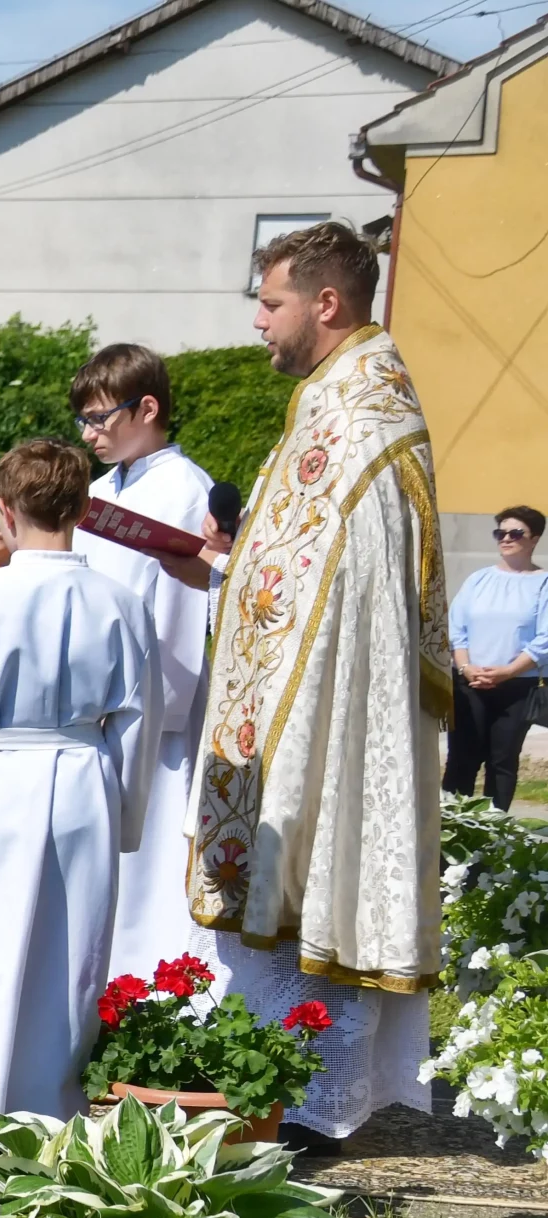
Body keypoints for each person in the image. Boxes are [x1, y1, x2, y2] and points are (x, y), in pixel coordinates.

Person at [174, 220, 448, 1153]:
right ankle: (285, 1097)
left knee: (315, 882)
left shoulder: (363, 413)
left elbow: (353, 587)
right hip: (289, 701)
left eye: (270, 301)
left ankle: (314, 1108)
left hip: (326, 709)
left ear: (325, 303)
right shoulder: (333, 398)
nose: (257, 322)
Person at [0, 440, 158, 1135]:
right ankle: (52, 1106)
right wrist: (125, 816)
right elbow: (137, 720)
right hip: (82, 779)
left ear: (4, 509)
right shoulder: (120, 602)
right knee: (69, 954)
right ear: (84, 507)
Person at [71, 344, 217, 977]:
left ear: (147, 408)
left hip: (155, 715)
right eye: (84, 419)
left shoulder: (188, 491)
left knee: (149, 861)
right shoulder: (101, 490)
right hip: (93, 705)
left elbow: (183, 610)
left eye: (101, 418)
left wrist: (161, 711)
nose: (89, 433)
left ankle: (148, 989)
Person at [445, 505, 548, 810]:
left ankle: (491, 838)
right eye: (500, 533)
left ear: (534, 539)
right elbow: (456, 629)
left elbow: (544, 640)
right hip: (469, 684)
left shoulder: (543, 584)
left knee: (502, 762)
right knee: (462, 758)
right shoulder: (478, 580)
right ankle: (450, 834)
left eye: (515, 533)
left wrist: (508, 672)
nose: (506, 538)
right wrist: (465, 667)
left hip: (518, 688)